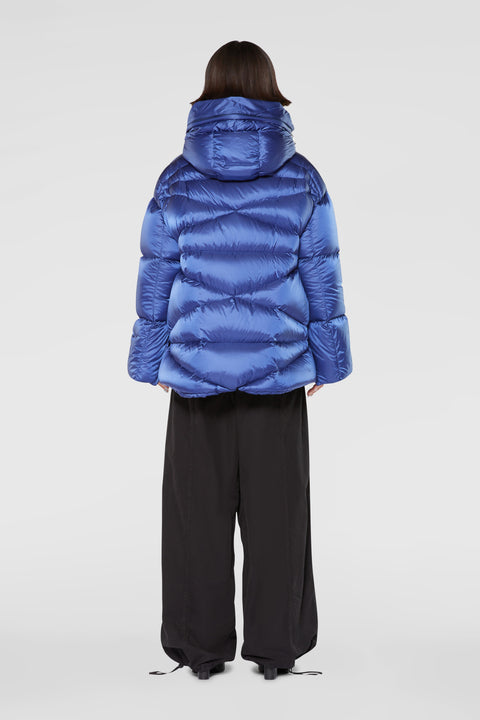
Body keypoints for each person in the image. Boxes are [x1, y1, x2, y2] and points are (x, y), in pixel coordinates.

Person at [127, 40, 352, 680]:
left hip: (196, 378)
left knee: (194, 518)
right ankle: (277, 652)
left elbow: (156, 274)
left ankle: (200, 652)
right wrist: (328, 361)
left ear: (208, 90)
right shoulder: (303, 177)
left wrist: (151, 360)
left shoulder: (176, 177)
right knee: (279, 517)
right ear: (271, 90)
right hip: (276, 377)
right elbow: (321, 273)